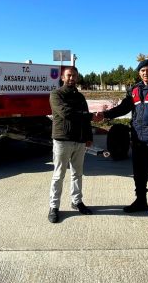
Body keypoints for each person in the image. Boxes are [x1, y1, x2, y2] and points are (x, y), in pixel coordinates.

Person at [94, 59, 148, 226]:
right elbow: (123, 108)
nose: (145, 73)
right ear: (139, 73)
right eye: (142, 70)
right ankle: (140, 201)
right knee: (139, 175)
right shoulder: (135, 90)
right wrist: (105, 115)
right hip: (138, 141)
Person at [48, 66, 94, 223]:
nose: (71, 78)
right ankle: (54, 206)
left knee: (77, 174)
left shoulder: (80, 97)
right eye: (68, 75)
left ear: (77, 77)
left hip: (80, 141)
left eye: (74, 76)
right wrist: (87, 115)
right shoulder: (56, 94)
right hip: (62, 140)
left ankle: (77, 202)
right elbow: (66, 113)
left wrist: (88, 136)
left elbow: (85, 120)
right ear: (62, 77)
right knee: (58, 175)